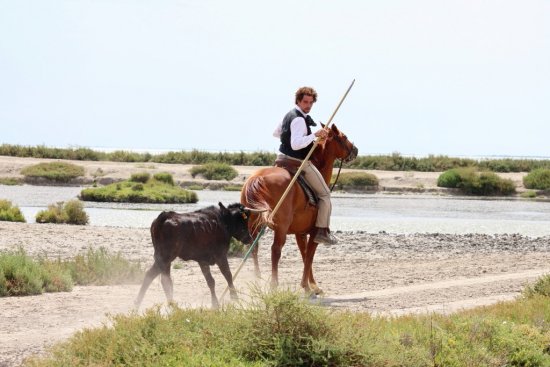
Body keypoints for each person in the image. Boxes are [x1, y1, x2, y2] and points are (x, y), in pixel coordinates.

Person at [273, 86, 338, 245]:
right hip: (297, 162)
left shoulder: (288, 115)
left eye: (311, 102)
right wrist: (314, 135)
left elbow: (276, 133)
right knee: (325, 195)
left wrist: (313, 140)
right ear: (298, 101)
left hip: (281, 159)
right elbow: (295, 145)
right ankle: (322, 231)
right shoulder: (299, 119)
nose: (308, 105)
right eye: (305, 102)